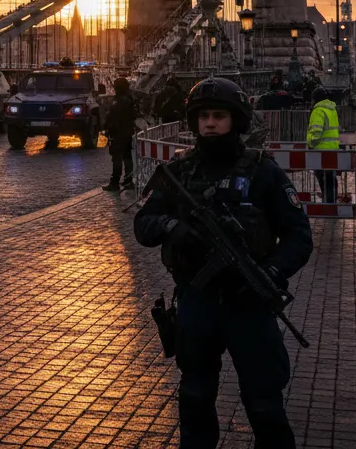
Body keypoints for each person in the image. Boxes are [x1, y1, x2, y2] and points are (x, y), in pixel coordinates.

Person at [134, 77, 313, 448]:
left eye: (219, 115)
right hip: (197, 304)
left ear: (236, 121)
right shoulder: (179, 172)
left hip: (249, 303)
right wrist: (172, 227)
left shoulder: (263, 172)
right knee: (195, 398)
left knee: (264, 403)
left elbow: (299, 236)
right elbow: (142, 223)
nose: (210, 123)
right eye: (203, 117)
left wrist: (271, 272)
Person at [103, 77, 139, 192]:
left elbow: (111, 116)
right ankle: (128, 181)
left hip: (118, 133)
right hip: (127, 132)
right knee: (127, 157)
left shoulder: (118, 101)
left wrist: (107, 127)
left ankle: (115, 183)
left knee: (117, 158)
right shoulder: (129, 99)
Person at [306, 87, 340, 204]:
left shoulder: (318, 110)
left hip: (320, 149)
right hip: (333, 148)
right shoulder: (332, 109)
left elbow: (316, 131)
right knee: (330, 177)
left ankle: (328, 201)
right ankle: (332, 199)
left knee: (321, 176)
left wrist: (311, 143)